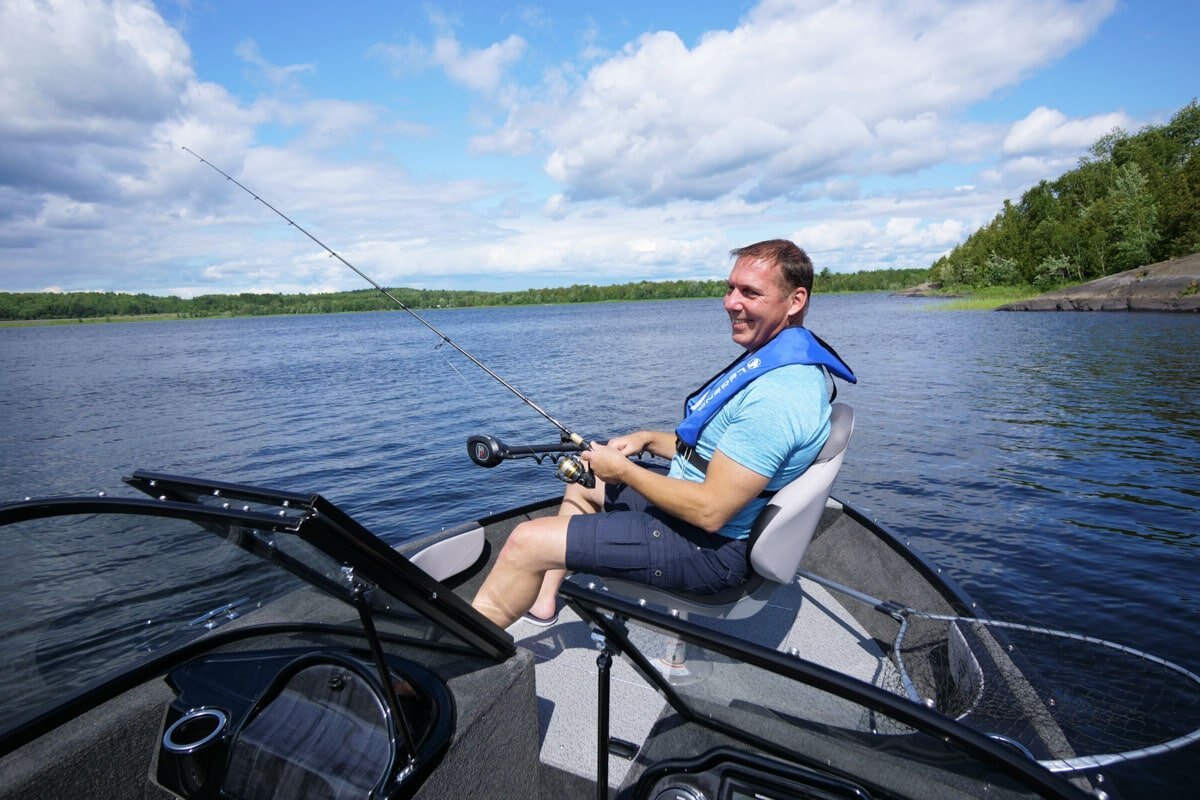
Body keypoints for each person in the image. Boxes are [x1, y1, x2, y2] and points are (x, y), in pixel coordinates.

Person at [470, 239, 855, 629]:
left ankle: (474, 653)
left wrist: (623, 470)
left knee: (525, 541)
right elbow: (717, 453)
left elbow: (710, 511)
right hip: (699, 518)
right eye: (730, 288)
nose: (730, 302)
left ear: (795, 301)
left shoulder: (778, 396)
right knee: (584, 480)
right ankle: (543, 602)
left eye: (750, 292)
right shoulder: (779, 367)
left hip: (707, 548)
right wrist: (647, 440)